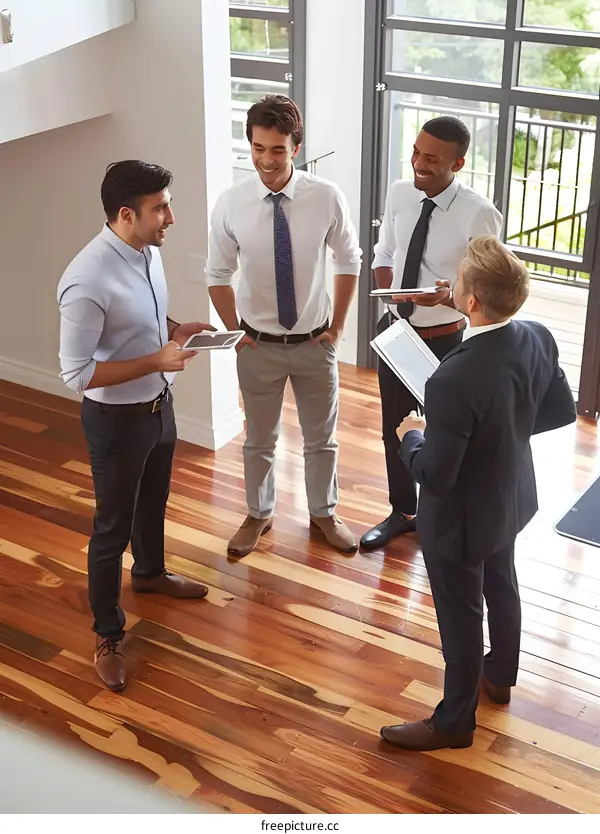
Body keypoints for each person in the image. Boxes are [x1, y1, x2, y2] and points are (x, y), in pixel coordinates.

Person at [379, 235, 577, 751]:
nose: (455, 278)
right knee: (503, 584)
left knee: (463, 617)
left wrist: (411, 437)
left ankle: (454, 725)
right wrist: (501, 431)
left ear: (471, 301)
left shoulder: (451, 379)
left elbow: (438, 475)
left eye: (461, 275)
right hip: (509, 499)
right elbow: (557, 411)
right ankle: (500, 678)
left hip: (460, 520)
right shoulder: (537, 336)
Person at [58, 160, 211, 692]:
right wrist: (155, 362)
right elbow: (76, 372)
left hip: (156, 406)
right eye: (160, 209)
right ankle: (107, 634)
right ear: (127, 214)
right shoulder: (86, 279)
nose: (171, 217)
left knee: (154, 502)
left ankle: (149, 574)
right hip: (116, 420)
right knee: (110, 530)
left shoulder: (147, 250)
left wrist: (175, 329)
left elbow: (137, 322)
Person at [206, 95, 363, 557]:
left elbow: (349, 258)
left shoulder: (325, 196)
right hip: (257, 346)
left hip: (315, 342)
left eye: (277, 150)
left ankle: (323, 513)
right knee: (259, 441)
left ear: (297, 146)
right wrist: (237, 335)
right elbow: (216, 274)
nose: (266, 160)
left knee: (321, 439)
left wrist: (337, 328)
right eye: (257, 148)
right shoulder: (232, 203)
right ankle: (258, 514)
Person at [361, 116, 503, 550]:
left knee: (447, 433)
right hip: (398, 332)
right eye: (417, 152)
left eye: (432, 159)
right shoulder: (402, 192)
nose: (419, 163)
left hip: (448, 340)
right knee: (396, 428)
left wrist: (443, 298)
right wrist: (392, 294)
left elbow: (489, 293)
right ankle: (403, 511)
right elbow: (386, 249)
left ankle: (444, 518)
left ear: (457, 163)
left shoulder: (479, 213)